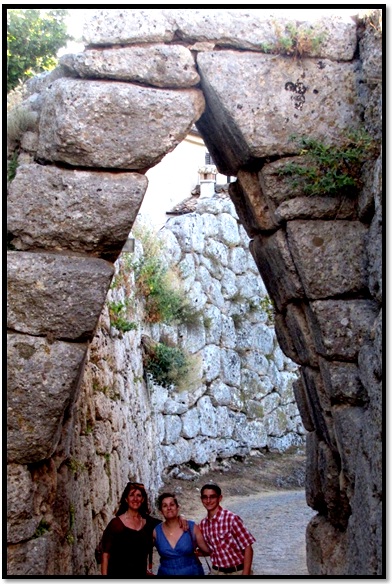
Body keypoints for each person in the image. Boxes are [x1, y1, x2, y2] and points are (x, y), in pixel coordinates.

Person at [101, 481, 157, 577]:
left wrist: (181, 517)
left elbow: (169, 525)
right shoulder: (116, 524)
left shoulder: (148, 523)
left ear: (143, 499)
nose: (135, 499)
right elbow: (105, 555)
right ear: (126, 499)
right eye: (131, 495)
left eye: (139, 495)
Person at [199, 482, 256, 576]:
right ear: (201, 499)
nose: (208, 501)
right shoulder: (203, 524)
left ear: (219, 498)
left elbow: (248, 548)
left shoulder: (231, 518)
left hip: (237, 571)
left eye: (212, 497)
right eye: (205, 497)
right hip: (217, 572)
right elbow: (210, 550)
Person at [153, 492, 211, 576]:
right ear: (161, 511)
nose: (169, 508)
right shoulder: (156, 531)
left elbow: (208, 550)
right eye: (165, 506)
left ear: (177, 507)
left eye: (172, 504)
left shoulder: (191, 527)